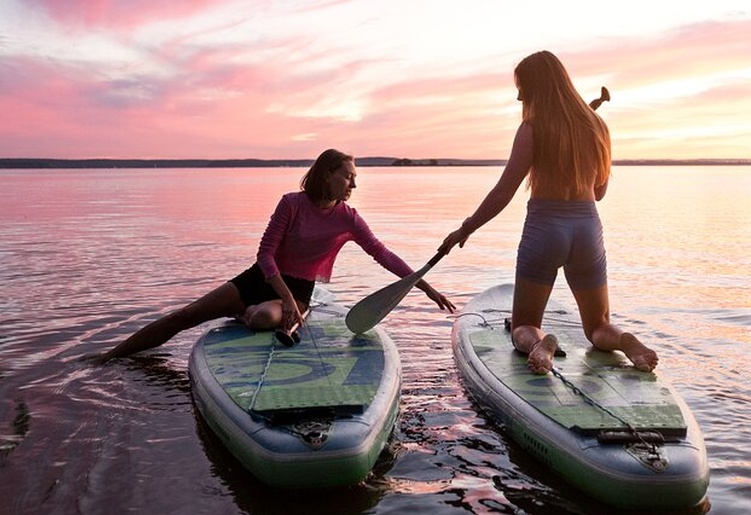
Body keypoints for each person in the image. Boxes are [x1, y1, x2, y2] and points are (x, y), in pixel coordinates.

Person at [93, 149, 455, 362]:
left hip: (299, 289)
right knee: (186, 315)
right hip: (263, 278)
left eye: (354, 178)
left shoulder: (349, 218)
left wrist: (425, 287)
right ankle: (111, 356)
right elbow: (265, 255)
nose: (353, 185)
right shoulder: (291, 204)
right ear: (327, 174)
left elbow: (382, 253)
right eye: (348, 176)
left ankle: (248, 312)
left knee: (264, 319)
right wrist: (281, 294)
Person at [439, 51, 657, 375]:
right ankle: (628, 343)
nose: (518, 95)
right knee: (598, 325)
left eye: (521, 88)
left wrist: (466, 228)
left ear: (535, 87)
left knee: (524, 324)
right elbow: (599, 191)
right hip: (587, 229)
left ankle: (538, 344)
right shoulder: (598, 127)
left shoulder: (532, 127)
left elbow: (505, 189)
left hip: (545, 229)